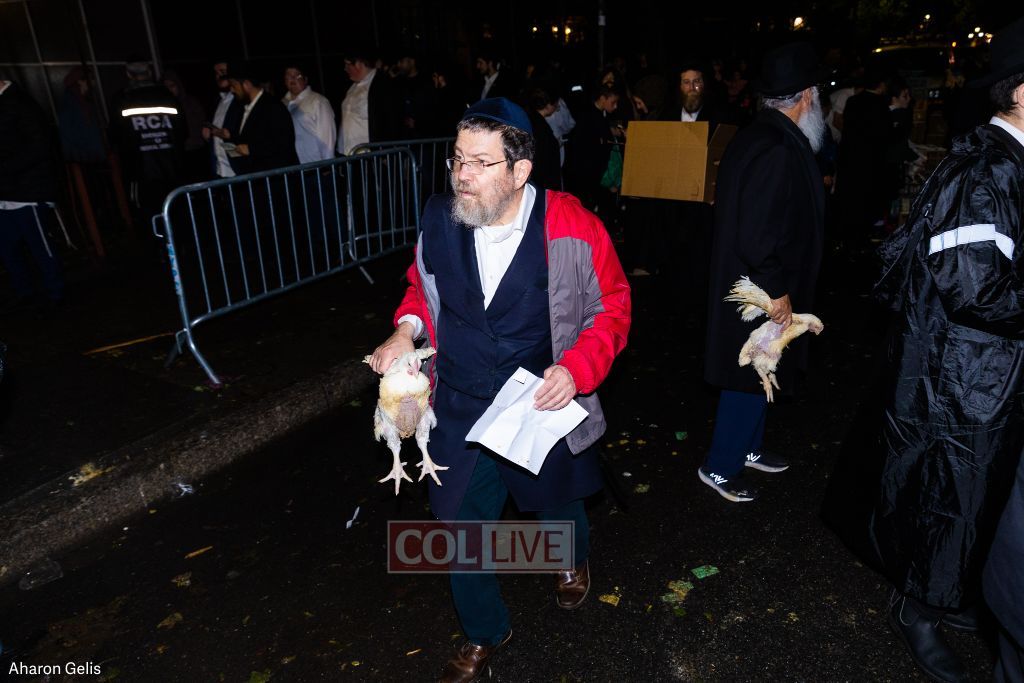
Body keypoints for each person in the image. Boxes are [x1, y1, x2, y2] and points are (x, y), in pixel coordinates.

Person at [368, 97, 630, 682]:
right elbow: (422, 289)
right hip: (459, 400)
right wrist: (405, 330)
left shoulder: (573, 226)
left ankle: (570, 558)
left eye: (480, 163)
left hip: (538, 396)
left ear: (519, 171)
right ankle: (484, 631)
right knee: (459, 527)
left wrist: (577, 369)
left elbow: (612, 306)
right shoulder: (440, 217)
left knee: (556, 499)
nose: (462, 175)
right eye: (457, 159)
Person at [870, 16, 1024, 683]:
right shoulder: (984, 169)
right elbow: (975, 286)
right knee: (950, 495)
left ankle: (954, 593)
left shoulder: (1010, 163)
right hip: (965, 376)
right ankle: (918, 607)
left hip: (995, 371)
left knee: (981, 499)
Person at [700, 42, 826, 502]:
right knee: (750, 369)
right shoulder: (775, 146)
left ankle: (748, 448)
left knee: (763, 367)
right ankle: (720, 466)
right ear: (806, 96)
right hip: (759, 288)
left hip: (754, 281)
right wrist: (777, 290)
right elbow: (756, 233)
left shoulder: (764, 134)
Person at [0, 78, 64, 310]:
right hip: (6, 193)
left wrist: (5, 168)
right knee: (8, 247)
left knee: (39, 246)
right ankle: (25, 293)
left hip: (28, 192)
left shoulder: (21, 104)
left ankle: (55, 293)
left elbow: (40, 148)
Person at [108, 57, 185, 237]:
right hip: (172, 170)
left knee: (149, 217)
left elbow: (116, 136)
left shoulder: (122, 99)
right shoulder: (167, 96)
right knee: (175, 213)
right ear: (149, 72)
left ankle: (159, 247)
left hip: (141, 173)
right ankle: (179, 246)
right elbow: (182, 131)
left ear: (128, 74)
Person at [223, 65, 298, 174]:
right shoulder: (242, 108)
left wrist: (251, 149)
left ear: (246, 85)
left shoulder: (273, 106)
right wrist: (229, 137)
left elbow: (283, 144)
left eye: (234, 85)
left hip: (276, 178)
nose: (231, 89)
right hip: (256, 177)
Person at [336, 48, 399, 155]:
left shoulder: (381, 84)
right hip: (347, 153)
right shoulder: (352, 87)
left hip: (368, 154)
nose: (345, 68)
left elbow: (390, 120)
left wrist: (385, 152)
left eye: (347, 64)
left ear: (358, 64)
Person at [281, 66, 336, 164]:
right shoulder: (282, 104)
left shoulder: (318, 101)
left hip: (315, 164)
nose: (292, 80)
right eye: (288, 76)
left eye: (297, 76)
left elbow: (327, 136)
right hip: (292, 166)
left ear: (305, 79)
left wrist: (328, 164)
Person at [203, 60, 243, 180]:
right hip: (220, 168)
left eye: (222, 72)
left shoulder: (241, 101)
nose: (219, 76)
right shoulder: (218, 100)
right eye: (216, 73)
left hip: (237, 169)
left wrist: (226, 136)